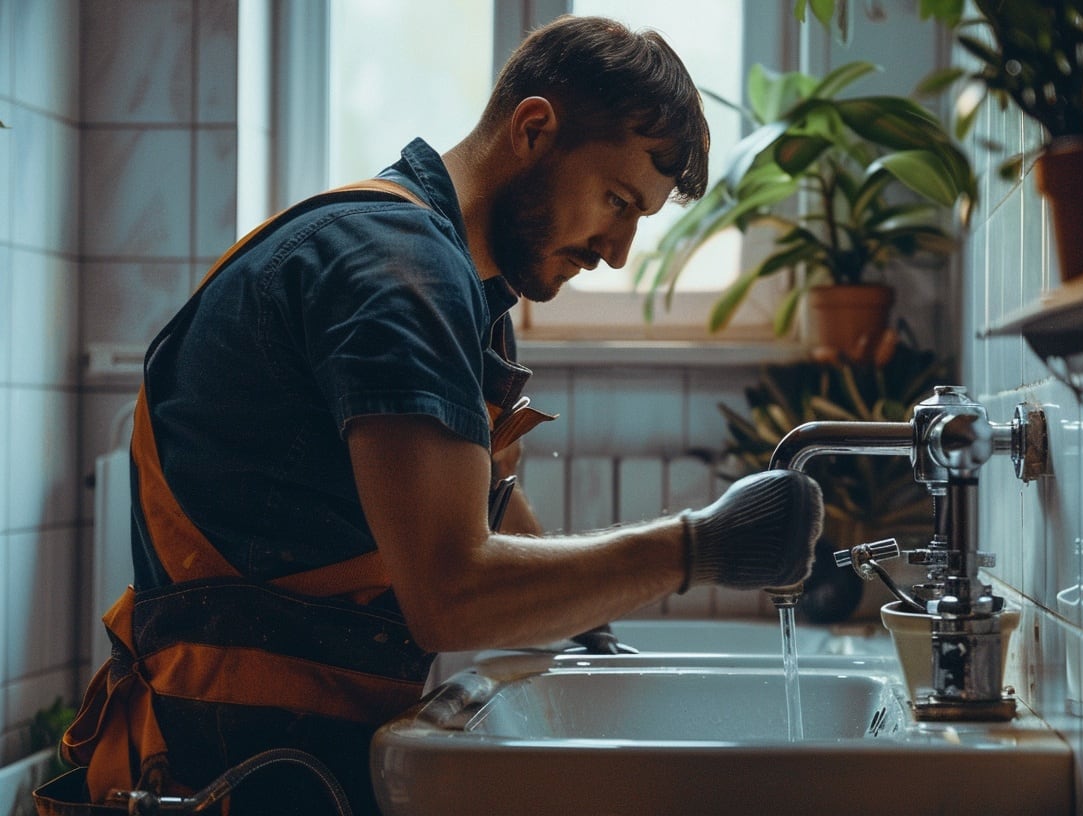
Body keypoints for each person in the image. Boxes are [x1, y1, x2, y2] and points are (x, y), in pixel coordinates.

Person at [37, 15, 822, 816]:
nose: (617, 250)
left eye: (638, 220)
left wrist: (591, 636)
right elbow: (450, 593)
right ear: (534, 127)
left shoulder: (463, 286)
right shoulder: (394, 272)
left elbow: (481, 507)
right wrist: (703, 545)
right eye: (616, 200)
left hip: (283, 758)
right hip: (238, 778)